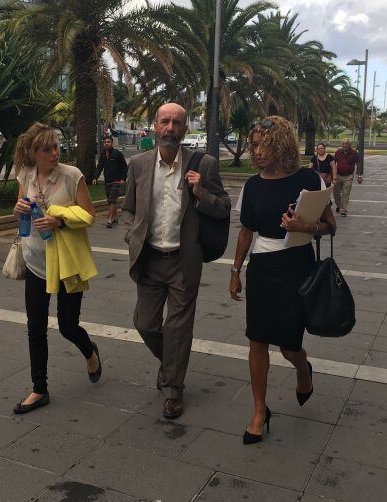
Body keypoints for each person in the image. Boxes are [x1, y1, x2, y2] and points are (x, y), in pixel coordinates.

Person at [229, 116, 336, 445]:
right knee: (257, 340)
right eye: (254, 144)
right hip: (262, 267)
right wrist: (234, 271)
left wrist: (306, 227)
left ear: (282, 145)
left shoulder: (308, 179)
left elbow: (330, 226)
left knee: (289, 346)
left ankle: (303, 369)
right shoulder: (253, 185)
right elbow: (247, 231)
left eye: (264, 144)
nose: (257, 151)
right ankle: (260, 410)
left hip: (297, 267)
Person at [122, 103, 230, 419]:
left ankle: (172, 390)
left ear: (185, 129)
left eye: (177, 123)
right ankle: (171, 364)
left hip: (184, 260)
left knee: (179, 329)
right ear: (155, 125)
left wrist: (201, 193)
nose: (170, 128)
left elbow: (224, 207)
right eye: (165, 122)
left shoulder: (204, 164)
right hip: (150, 259)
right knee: (145, 323)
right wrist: (132, 235)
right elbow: (128, 209)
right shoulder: (138, 164)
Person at [12, 123, 102, 414]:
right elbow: (19, 203)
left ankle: (90, 350)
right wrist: (19, 209)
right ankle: (39, 389)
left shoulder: (71, 176)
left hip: (66, 265)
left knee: (67, 326)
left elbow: (89, 216)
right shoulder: (25, 174)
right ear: (33, 153)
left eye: (56, 147)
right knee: (35, 328)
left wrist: (59, 220)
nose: (54, 154)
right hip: (37, 261)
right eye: (46, 149)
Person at [92, 136, 129, 228]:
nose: (106, 143)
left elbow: (125, 167)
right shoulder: (103, 154)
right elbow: (99, 167)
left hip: (116, 181)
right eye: (105, 142)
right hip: (107, 181)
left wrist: (123, 178)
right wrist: (95, 178)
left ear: (112, 143)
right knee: (111, 201)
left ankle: (110, 220)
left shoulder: (117, 154)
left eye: (108, 142)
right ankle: (114, 218)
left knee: (112, 200)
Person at [333, 138, 362, 216]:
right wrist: (333, 175)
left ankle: (343, 210)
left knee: (345, 194)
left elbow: (358, 163)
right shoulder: (338, 152)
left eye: (346, 144)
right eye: (343, 144)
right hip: (338, 176)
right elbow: (333, 164)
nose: (344, 145)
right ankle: (339, 205)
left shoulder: (354, 153)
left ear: (349, 145)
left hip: (348, 176)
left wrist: (359, 175)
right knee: (336, 193)